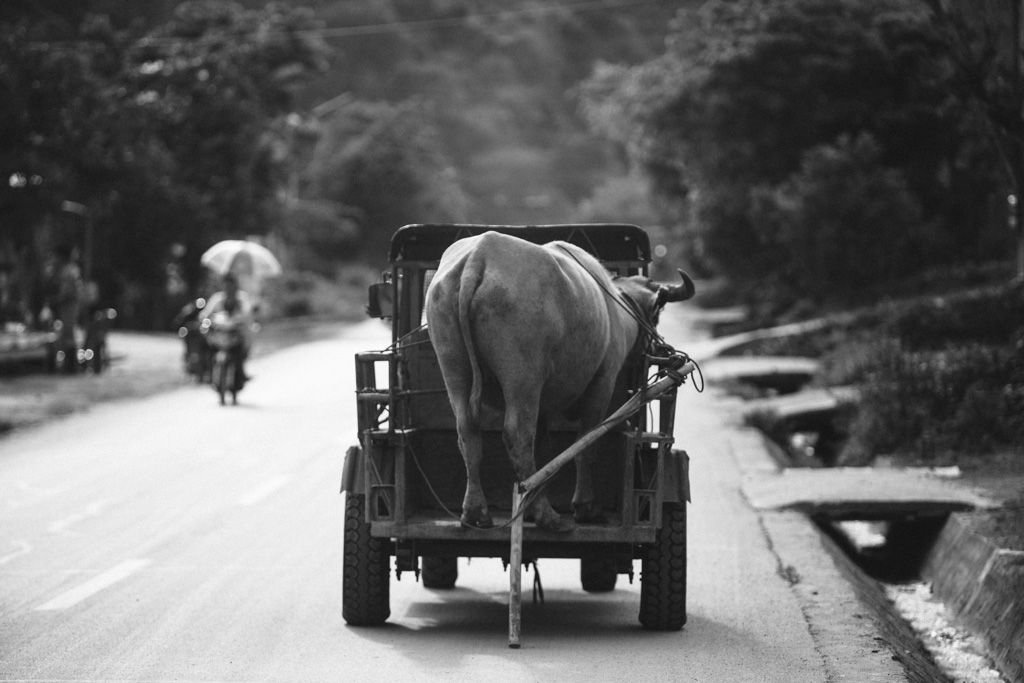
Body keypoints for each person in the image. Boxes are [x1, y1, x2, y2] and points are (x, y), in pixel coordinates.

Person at [199, 272, 256, 381]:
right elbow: (205, 314)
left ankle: (241, 373)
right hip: (220, 333)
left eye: (231, 285)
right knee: (206, 343)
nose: (229, 288)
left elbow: (247, 314)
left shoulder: (241, 298)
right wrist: (205, 319)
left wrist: (242, 320)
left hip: (235, 333)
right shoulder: (217, 298)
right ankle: (206, 371)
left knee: (243, 345)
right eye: (226, 285)